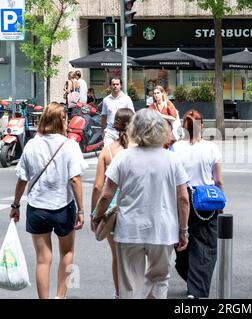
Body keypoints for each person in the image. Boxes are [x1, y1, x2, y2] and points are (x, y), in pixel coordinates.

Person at [92, 109, 190, 299]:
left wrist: (97, 217)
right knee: (159, 279)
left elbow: (106, 194)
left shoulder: (124, 157)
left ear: (135, 129)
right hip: (163, 230)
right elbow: (183, 199)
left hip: (129, 230)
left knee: (130, 285)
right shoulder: (171, 159)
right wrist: (183, 230)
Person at [9, 102, 87, 299]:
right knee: (67, 252)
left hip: (37, 208)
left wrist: (16, 205)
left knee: (43, 259)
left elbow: (22, 179)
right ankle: (60, 296)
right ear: (61, 120)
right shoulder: (70, 145)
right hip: (63, 207)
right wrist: (81, 209)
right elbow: (75, 179)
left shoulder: (32, 145)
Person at [173, 109, 224, 299]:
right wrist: (221, 201)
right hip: (206, 202)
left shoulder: (176, 148)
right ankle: (197, 290)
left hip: (182, 199)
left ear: (184, 127)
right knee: (206, 246)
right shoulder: (212, 148)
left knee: (182, 243)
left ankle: (192, 282)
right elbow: (218, 181)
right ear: (202, 126)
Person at [90, 108, 134, 299]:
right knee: (135, 256)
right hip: (134, 206)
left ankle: (119, 294)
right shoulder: (139, 149)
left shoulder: (107, 152)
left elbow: (98, 186)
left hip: (112, 212)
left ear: (114, 124)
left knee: (117, 256)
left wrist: (94, 214)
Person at [101, 77, 135, 146]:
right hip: (109, 132)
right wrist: (102, 131)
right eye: (113, 84)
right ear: (110, 86)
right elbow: (104, 116)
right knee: (109, 152)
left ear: (120, 85)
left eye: (117, 84)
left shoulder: (127, 99)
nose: (115, 86)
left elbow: (132, 115)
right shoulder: (106, 100)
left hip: (123, 131)